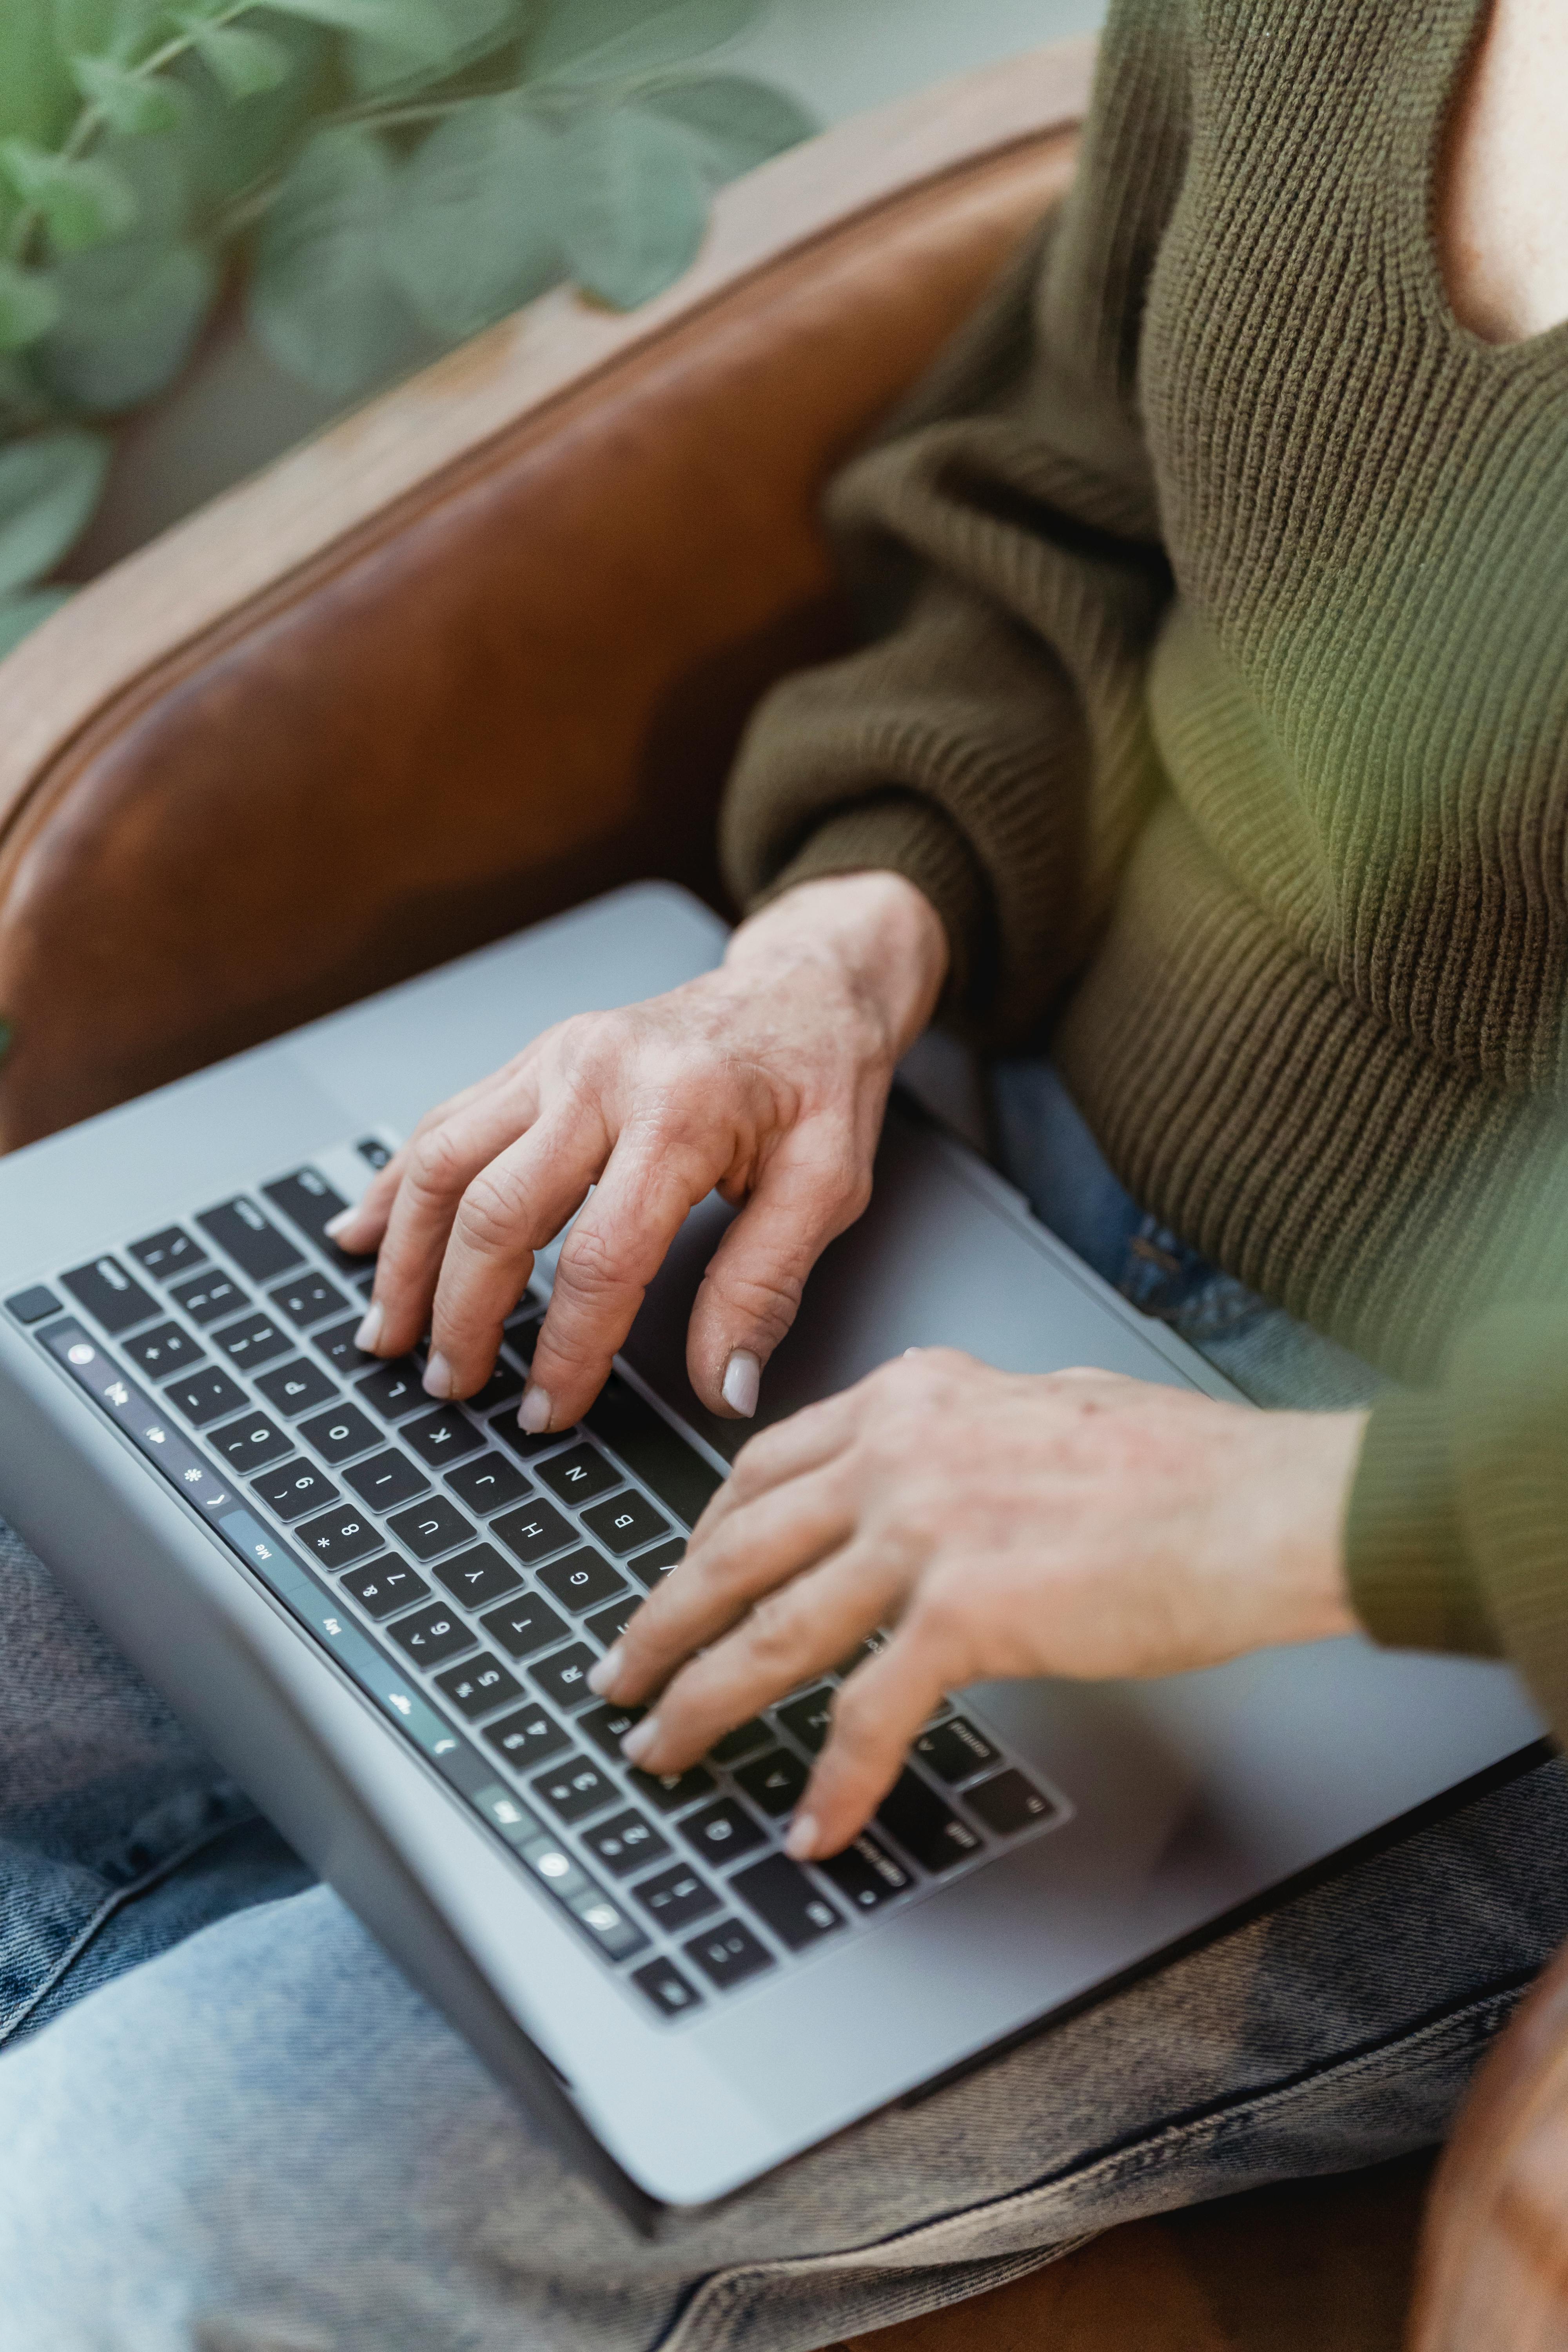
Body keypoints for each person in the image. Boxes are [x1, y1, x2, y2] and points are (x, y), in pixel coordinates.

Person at [2, 0, 1567, 2343]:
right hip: (973, 1181)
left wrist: (1301, 1521)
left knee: (138, 2194)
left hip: (1450, 1613)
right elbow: (1063, 502)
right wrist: (841, 943)